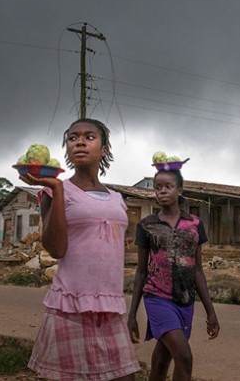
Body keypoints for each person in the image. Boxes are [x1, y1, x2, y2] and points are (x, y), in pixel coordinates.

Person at [20, 118, 140, 380]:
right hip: (71, 304)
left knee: (125, 377)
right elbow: (56, 248)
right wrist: (56, 189)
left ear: (104, 149)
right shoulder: (55, 191)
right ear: (66, 150)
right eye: (73, 138)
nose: (80, 142)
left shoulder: (117, 199)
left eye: (89, 137)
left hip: (109, 304)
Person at [127, 169, 220, 381]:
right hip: (157, 298)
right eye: (157, 188)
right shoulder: (147, 225)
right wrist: (132, 315)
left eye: (168, 187)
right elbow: (141, 271)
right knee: (184, 357)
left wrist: (210, 311)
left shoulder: (195, 224)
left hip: (185, 300)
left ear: (179, 189)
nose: (162, 192)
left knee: (161, 362)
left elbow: (197, 269)